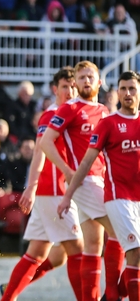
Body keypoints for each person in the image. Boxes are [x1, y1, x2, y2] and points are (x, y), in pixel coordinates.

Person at [38, 60, 122, 301]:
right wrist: (66, 170)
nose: (86, 81)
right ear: (75, 81)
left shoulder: (104, 111)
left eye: (90, 76)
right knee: (121, 233)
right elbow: (45, 143)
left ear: (99, 81)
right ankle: (114, 295)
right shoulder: (70, 108)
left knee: (93, 246)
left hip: (101, 181)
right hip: (84, 183)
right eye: (82, 77)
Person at [0, 67, 84, 301]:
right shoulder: (53, 114)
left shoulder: (73, 112)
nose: (70, 90)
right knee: (78, 249)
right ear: (54, 89)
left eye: (73, 86)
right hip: (55, 190)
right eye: (65, 86)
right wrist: (32, 186)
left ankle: (7, 295)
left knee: (39, 253)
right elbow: (39, 151)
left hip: (57, 191)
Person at [58, 70, 140, 301]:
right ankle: (112, 295)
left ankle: (105, 297)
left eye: (132, 88)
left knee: (93, 246)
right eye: (123, 89)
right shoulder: (107, 123)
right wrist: (68, 193)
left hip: (132, 196)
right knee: (133, 251)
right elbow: (86, 161)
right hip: (117, 197)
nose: (127, 93)